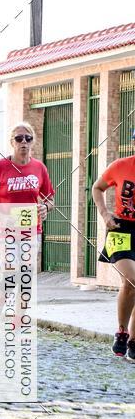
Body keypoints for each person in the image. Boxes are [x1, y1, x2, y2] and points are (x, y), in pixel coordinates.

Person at [0, 122, 55, 329]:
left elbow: (49, 199)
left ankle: (20, 317)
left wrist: (46, 208)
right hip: (6, 230)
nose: (23, 142)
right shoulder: (0, 167)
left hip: (31, 229)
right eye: (19, 138)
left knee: (26, 272)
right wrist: (0, 216)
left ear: (33, 142)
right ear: (12, 142)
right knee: (11, 271)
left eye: (27, 138)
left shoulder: (39, 168)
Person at [93, 153, 135, 360]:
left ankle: (134, 340)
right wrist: (104, 213)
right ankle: (122, 331)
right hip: (121, 229)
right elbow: (97, 187)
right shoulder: (120, 166)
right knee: (131, 280)